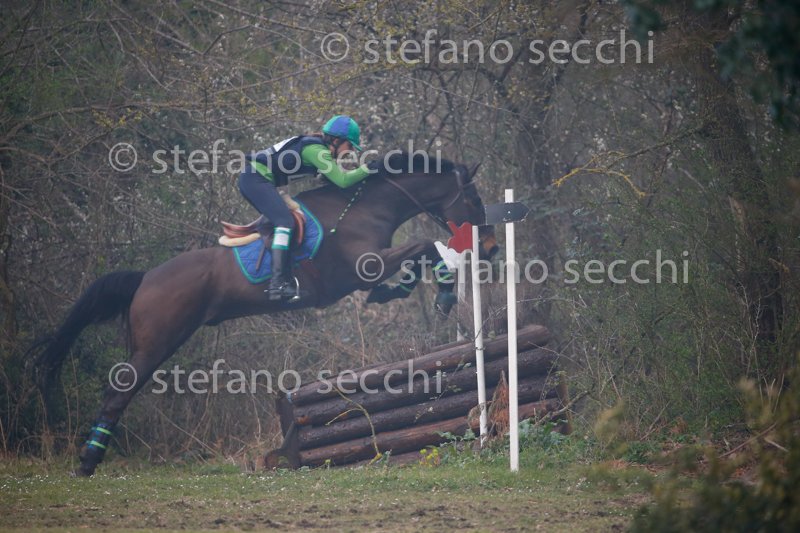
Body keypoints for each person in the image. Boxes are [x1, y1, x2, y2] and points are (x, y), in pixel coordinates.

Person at [240, 115, 372, 301]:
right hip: (255, 180)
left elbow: (333, 181)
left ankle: (285, 281)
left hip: (258, 180)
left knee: (289, 222)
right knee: (285, 222)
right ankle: (277, 284)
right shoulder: (316, 151)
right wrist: (371, 167)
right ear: (336, 140)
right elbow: (342, 181)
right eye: (349, 146)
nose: (350, 152)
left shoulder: (317, 149)